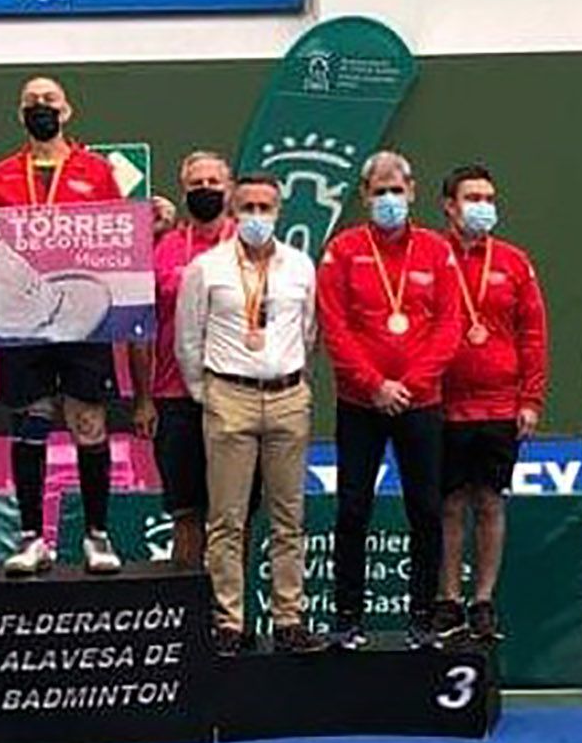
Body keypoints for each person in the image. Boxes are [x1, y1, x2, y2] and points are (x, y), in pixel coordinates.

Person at [0, 75, 128, 575]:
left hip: (84, 318)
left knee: (89, 421)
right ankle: (30, 538)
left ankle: (96, 536)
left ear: (68, 111)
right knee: (31, 421)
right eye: (31, 103)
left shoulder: (98, 171)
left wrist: (156, 215)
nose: (41, 108)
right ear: (20, 115)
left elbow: (120, 234)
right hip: (23, 320)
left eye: (50, 100)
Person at [317, 152, 463, 650]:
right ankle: (348, 617)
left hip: (421, 403)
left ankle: (422, 617)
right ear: (363, 196)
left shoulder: (437, 250)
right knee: (353, 509)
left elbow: (449, 326)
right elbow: (334, 328)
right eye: (379, 192)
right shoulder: (342, 251)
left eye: (395, 191)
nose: (388, 200)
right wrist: (375, 384)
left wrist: (412, 384)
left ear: (413, 192)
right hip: (360, 402)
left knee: (425, 508)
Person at [175, 174, 319, 655]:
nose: (258, 216)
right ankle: (230, 621)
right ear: (233, 214)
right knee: (227, 519)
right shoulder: (206, 268)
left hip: (287, 396)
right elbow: (188, 340)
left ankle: (288, 617)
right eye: (249, 207)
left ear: (279, 212)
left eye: (266, 207)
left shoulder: (299, 266)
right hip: (228, 396)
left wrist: (288, 378)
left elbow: (309, 331)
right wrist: (207, 394)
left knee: (288, 516)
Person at [432, 164, 548, 645]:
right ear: (449, 205)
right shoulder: (431, 255)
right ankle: (448, 600)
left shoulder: (515, 262)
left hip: (501, 406)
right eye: (472, 197)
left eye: (488, 198)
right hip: (441, 405)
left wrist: (532, 399)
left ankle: (482, 601)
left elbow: (534, 332)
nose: (483, 206)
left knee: (490, 502)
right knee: (451, 505)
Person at [130, 150, 239, 567]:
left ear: (229, 189)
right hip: (175, 396)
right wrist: (143, 398)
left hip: (237, 396)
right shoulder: (166, 247)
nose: (206, 190)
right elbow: (143, 327)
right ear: (183, 189)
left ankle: (232, 621)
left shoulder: (248, 246)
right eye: (197, 184)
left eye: (214, 183)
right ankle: (189, 615)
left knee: (233, 515)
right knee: (186, 512)